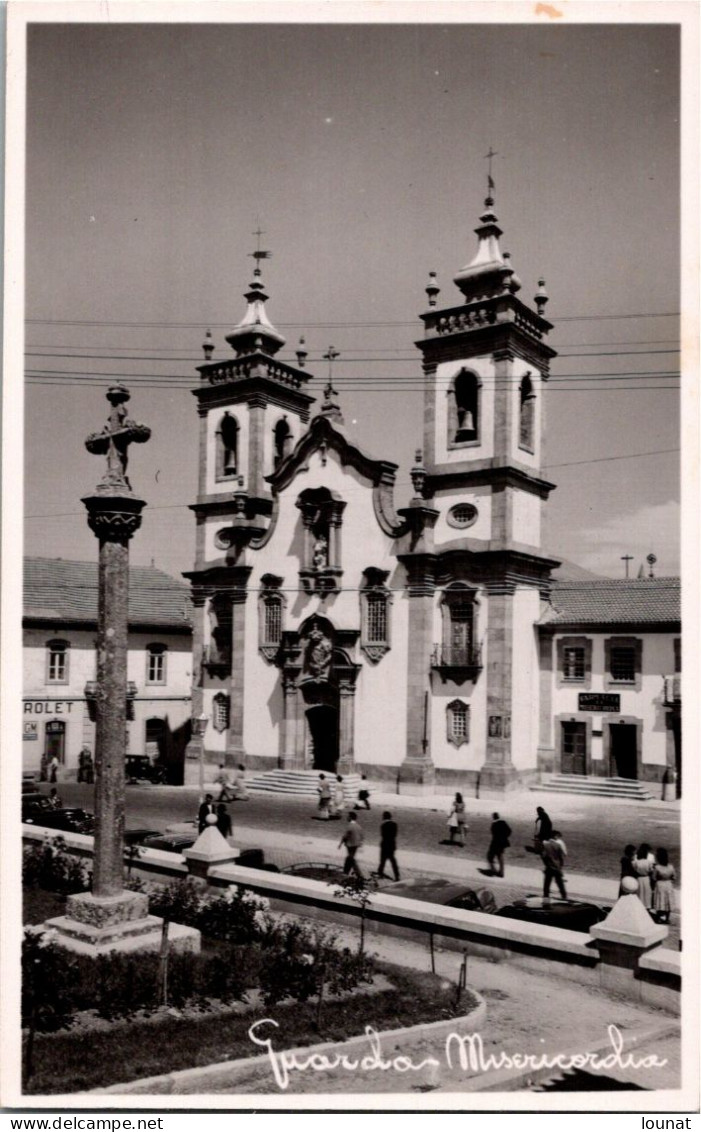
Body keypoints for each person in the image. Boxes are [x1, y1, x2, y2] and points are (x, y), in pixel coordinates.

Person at [652, 847, 676, 924]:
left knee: (660, 900)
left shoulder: (657, 867)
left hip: (660, 884)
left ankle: (658, 918)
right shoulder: (671, 866)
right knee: (668, 901)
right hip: (669, 884)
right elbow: (674, 877)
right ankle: (667, 919)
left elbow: (653, 878)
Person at [542, 830, 568, 900]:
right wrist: (560, 866)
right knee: (560, 883)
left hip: (549, 867)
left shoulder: (545, 845)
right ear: (555, 836)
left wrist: (547, 864)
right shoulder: (558, 845)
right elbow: (561, 857)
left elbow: (544, 856)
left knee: (547, 883)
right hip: (557, 866)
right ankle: (564, 896)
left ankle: (546, 897)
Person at [339, 811, 364, 878]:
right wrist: (360, 844)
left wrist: (340, 844)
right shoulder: (358, 826)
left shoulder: (350, 826)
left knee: (350, 858)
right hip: (356, 845)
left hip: (350, 845)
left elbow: (345, 836)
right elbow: (362, 836)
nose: (347, 817)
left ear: (350, 817)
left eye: (348, 816)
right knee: (351, 858)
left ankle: (347, 872)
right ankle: (350, 872)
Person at [633, 843, 656, 912]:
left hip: (638, 878)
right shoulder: (650, 857)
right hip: (647, 877)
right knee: (647, 893)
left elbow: (634, 869)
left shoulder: (636, 858)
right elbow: (652, 869)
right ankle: (647, 907)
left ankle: (637, 907)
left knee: (639, 892)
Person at [487, 812, 512, 877]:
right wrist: (505, 837)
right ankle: (501, 872)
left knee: (490, 856)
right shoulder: (503, 822)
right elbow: (509, 831)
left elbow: (493, 833)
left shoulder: (494, 824)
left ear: (493, 817)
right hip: (503, 842)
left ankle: (493, 870)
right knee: (500, 856)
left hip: (495, 842)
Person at [377, 811, 400, 880]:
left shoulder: (383, 825)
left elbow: (383, 835)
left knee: (382, 860)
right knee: (393, 861)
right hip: (392, 845)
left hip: (385, 845)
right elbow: (395, 835)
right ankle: (397, 875)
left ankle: (380, 873)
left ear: (384, 817)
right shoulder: (394, 824)